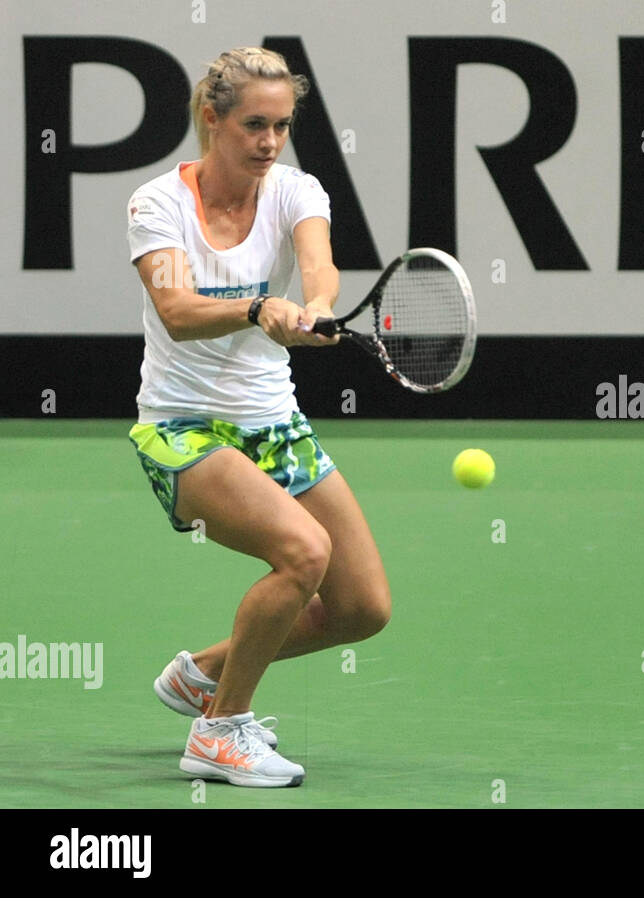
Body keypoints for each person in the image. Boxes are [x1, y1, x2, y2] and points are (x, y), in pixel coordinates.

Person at [126, 47, 391, 788]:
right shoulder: (157, 205)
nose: (269, 141)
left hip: (274, 423)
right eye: (253, 125)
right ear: (212, 120)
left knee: (362, 607)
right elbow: (176, 312)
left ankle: (203, 673)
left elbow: (320, 264)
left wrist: (316, 309)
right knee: (305, 553)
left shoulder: (295, 190)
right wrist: (255, 307)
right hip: (183, 430)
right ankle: (218, 730)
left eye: (281, 125)